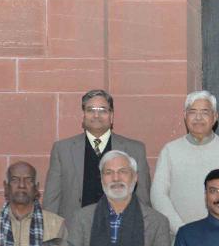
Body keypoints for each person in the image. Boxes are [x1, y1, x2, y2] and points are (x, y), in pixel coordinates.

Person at [70, 150, 173, 246]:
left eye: (123, 172)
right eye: (109, 173)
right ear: (101, 179)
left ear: (135, 177)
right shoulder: (81, 219)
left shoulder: (157, 222)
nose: (116, 178)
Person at [43, 89, 151, 228]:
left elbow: (143, 199)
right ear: (83, 115)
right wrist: (51, 233)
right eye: (90, 110)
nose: (96, 115)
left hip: (121, 230)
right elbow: (52, 199)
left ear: (111, 116)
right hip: (74, 231)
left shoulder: (135, 150)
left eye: (102, 110)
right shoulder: (63, 150)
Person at [150, 90, 219, 233]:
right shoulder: (170, 150)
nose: (198, 118)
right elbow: (158, 195)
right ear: (185, 116)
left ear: (215, 117)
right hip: (179, 234)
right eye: (192, 112)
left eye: (205, 112)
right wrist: (181, 229)